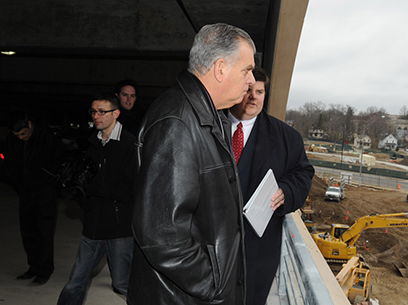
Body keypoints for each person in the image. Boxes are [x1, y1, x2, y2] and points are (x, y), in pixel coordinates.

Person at [127, 23, 255, 305]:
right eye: (247, 70)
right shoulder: (178, 122)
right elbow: (161, 234)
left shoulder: (209, 116)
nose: (251, 81)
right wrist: (214, 284)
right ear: (221, 68)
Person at [227, 66, 314, 305]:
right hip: (213, 242)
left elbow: (303, 173)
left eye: (260, 91)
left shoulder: (288, 137)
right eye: (248, 90)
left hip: (258, 244)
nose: (254, 97)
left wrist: (287, 191)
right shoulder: (209, 127)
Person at [57, 94, 137, 304]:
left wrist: (91, 188)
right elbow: (87, 179)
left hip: (119, 229)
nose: (97, 116)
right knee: (76, 280)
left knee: (122, 283)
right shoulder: (92, 142)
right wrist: (76, 190)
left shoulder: (129, 145)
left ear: (116, 114)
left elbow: (129, 190)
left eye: (103, 111)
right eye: (94, 111)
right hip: (92, 226)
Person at [0, 112, 62, 285]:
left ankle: (45, 270)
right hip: (25, 192)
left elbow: (58, 162)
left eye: (23, 134)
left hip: (44, 193)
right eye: (16, 135)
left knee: (44, 232)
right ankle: (33, 267)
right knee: (28, 231)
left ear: (29, 125)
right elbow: (6, 160)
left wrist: (48, 182)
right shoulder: (13, 140)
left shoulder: (46, 137)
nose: (20, 138)